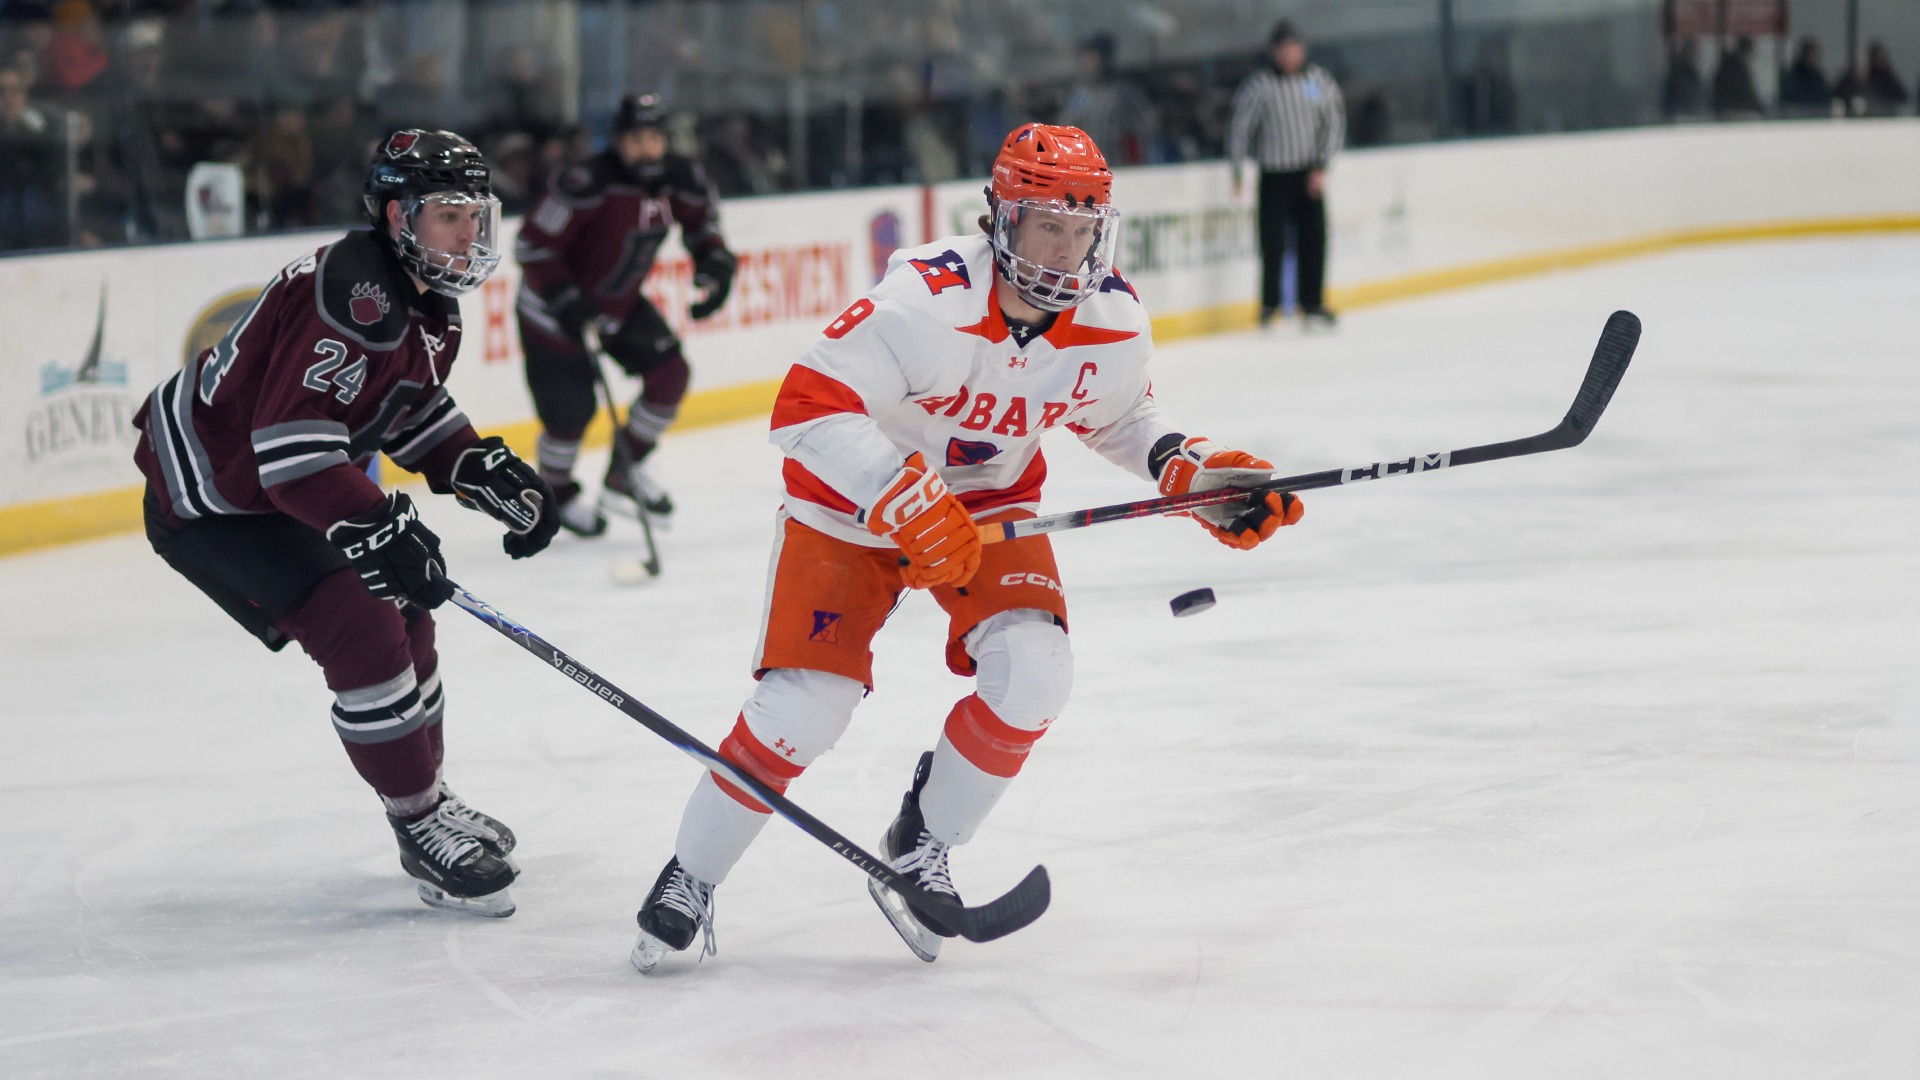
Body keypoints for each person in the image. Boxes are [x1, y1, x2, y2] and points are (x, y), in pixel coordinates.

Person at [626, 123, 1305, 973]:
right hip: (851, 511)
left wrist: (1187, 469)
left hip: (988, 512)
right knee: (805, 709)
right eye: (1046, 225)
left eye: (1083, 228)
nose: (1066, 250)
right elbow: (806, 405)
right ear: (1001, 219)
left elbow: (1125, 417)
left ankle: (921, 840)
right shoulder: (925, 301)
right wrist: (902, 494)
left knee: (1035, 672)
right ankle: (692, 875)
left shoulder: (1114, 318)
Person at [130, 130, 560, 918]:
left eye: (476, 214)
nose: (471, 234)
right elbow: (288, 453)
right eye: (450, 215)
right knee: (363, 625)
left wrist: (473, 467)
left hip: (276, 485)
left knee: (409, 611)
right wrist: (377, 525)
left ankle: (424, 797)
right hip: (213, 502)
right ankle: (418, 822)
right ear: (398, 216)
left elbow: (404, 408)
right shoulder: (351, 295)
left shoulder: (426, 299)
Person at [514, 93, 736, 535]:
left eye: (655, 138)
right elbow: (532, 245)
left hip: (618, 303)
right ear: (617, 140)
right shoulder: (585, 181)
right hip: (552, 311)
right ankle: (555, 489)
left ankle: (623, 472)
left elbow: (703, 222)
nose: (646, 148)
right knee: (571, 415)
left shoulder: (679, 175)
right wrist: (566, 302)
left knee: (670, 374)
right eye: (635, 138)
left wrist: (715, 266)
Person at [1227, 20, 1345, 330]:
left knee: (1313, 240)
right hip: (1274, 175)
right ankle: (1270, 304)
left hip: (1309, 174)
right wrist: (1237, 166)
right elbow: (1241, 126)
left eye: (1294, 47)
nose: (1289, 54)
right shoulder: (1261, 85)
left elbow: (1333, 122)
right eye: (1283, 49)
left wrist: (1323, 166)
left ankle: (1312, 302)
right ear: (1274, 52)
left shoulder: (1317, 80)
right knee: (1272, 242)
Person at [1777, 37, 1832, 119]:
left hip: (1818, 114)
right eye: (1812, 55)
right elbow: (1792, 97)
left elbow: (1825, 94)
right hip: (1802, 115)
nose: (1814, 58)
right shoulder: (1796, 75)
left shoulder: (1817, 74)